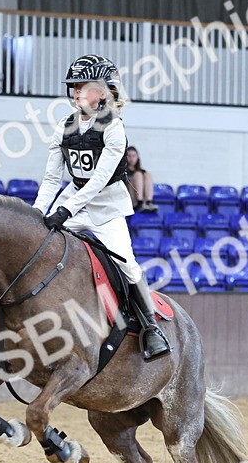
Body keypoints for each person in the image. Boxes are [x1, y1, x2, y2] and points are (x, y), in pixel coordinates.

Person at [32, 54, 170, 360]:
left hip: (106, 207)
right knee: (42, 251)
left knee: (127, 264)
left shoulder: (114, 127)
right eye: (75, 86)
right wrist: (38, 213)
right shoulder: (64, 127)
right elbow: (52, 177)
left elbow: (98, 181)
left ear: (105, 91)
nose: (78, 91)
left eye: (86, 86)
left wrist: (66, 211)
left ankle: (150, 327)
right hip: (74, 199)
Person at [125, 147, 157, 213]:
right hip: (131, 198)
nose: (131, 159)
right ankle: (140, 203)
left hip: (143, 198)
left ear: (137, 157)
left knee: (147, 174)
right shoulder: (123, 172)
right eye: (129, 156)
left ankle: (149, 202)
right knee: (138, 175)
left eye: (133, 156)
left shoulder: (143, 172)